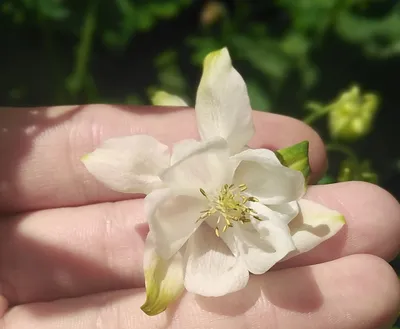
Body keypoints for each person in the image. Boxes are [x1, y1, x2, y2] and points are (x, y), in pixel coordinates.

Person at [0, 104, 399, 329]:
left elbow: (314, 222)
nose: (232, 206)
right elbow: (162, 264)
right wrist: (159, 297)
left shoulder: (276, 193)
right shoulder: (162, 190)